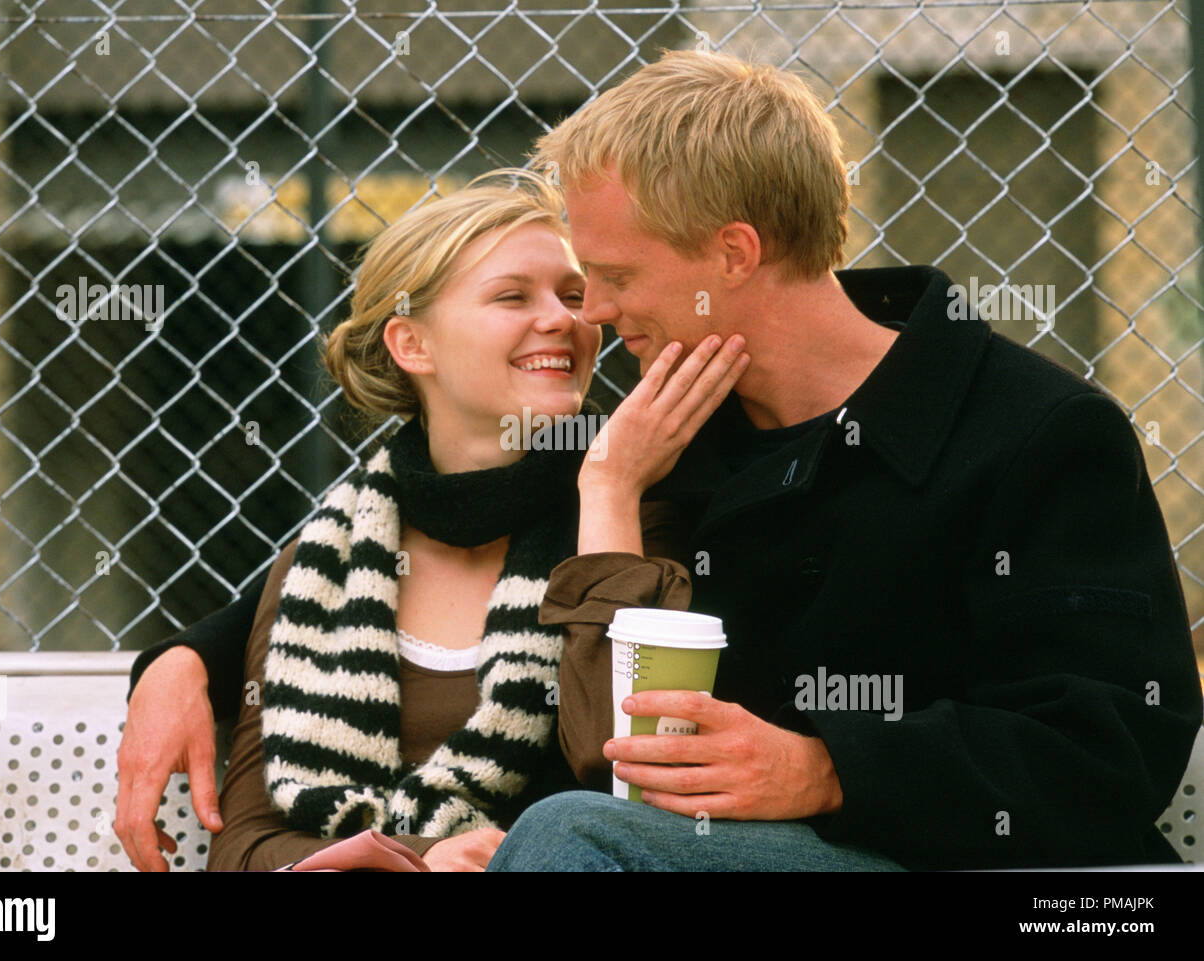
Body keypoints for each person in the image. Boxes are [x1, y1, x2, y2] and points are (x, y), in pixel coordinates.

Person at [484, 48, 1203, 871]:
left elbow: (1110, 749)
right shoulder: (659, 441)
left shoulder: (1038, 431)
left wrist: (827, 768)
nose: (599, 314)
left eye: (616, 275)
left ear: (734, 253)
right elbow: (613, 753)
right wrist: (609, 487)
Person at [114, 167, 747, 871]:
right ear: (412, 345)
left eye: (573, 294)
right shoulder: (325, 560)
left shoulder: (637, 523)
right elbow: (244, 846)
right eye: (512, 295)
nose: (566, 319)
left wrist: (606, 489)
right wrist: (416, 857)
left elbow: (622, 794)